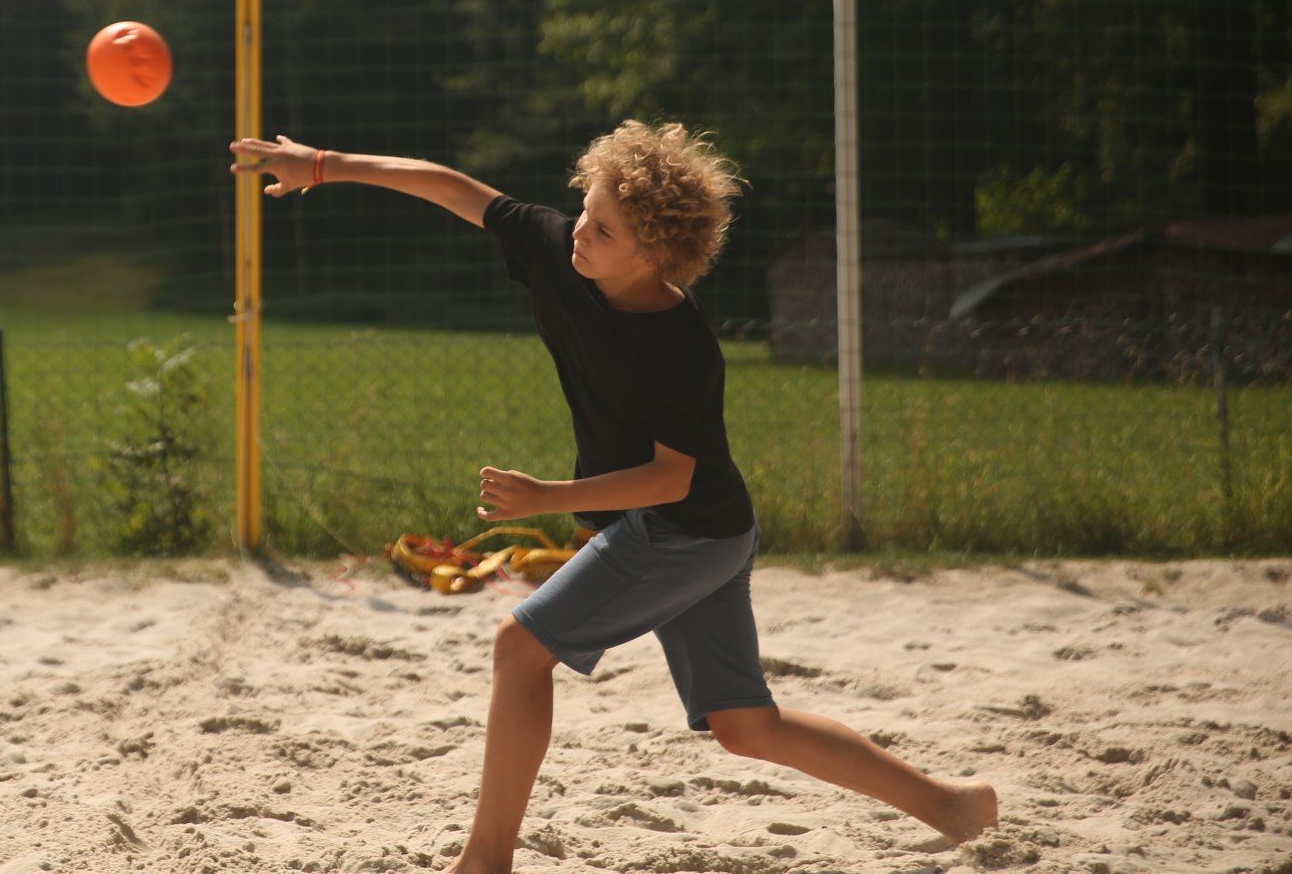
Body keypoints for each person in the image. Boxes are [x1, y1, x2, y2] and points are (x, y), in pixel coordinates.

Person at [227, 122, 998, 873]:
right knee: (746, 726)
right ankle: (953, 807)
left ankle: (485, 860)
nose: (579, 233)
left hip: (683, 531)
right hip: (706, 533)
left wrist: (545, 497)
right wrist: (324, 164)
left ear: (656, 254)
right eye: (587, 211)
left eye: (603, 229)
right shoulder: (563, 253)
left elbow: (672, 478)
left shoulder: (679, 346)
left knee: (518, 651)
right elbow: (450, 186)